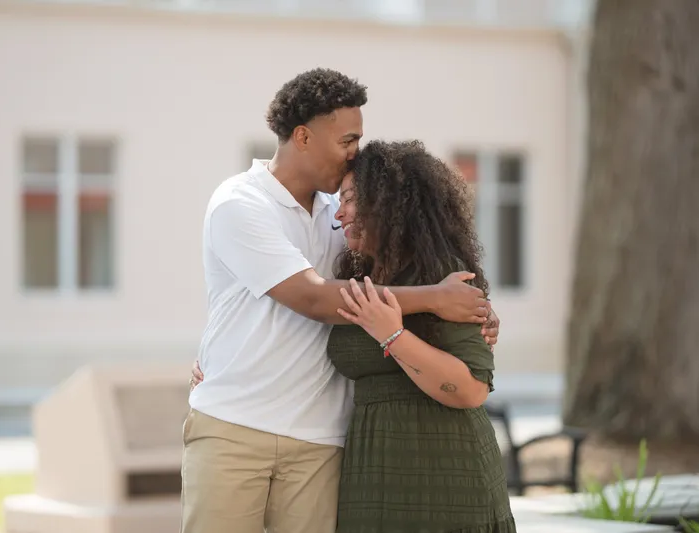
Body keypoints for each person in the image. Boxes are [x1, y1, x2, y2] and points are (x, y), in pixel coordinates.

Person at [182, 68, 500, 533]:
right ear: (303, 136)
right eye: (347, 140)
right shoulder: (240, 203)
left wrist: (473, 309)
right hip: (235, 427)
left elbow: (407, 263)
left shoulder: (345, 214)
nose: (355, 152)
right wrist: (436, 298)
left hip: (320, 440)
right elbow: (313, 297)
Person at [328, 140, 515, 532]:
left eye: (349, 199)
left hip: (448, 480)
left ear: (386, 203)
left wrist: (392, 335)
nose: (339, 212)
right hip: (371, 476)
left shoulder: (442, 274)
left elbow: (472, 389)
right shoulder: (360, 277)